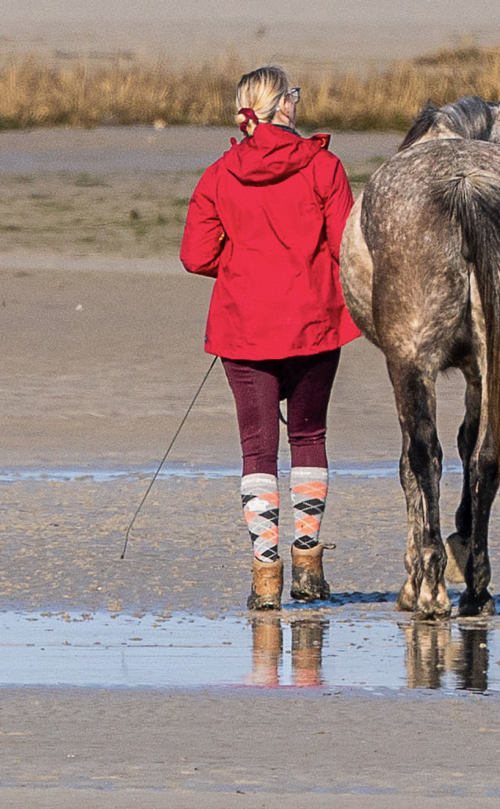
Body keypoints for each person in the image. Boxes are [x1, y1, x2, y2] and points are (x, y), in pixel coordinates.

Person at [181, 64, 359, 611]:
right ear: (281, 106)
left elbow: (196, 255)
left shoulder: (219, 174)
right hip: (313, 321)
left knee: (257, 449)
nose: (297, 102)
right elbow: (344, 247)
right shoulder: (325, 166)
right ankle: (306, 562)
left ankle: (266, 575)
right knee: (308, 436)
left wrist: (244, 267)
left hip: (245, 326)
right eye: (293, 95)